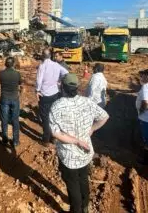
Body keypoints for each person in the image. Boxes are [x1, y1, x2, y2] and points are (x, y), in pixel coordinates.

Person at [50, 73, 109, 213]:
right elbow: (105, 116)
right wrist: (92, 129)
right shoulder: (87, 102)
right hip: (86, 151)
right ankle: (85, 207)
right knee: (83, 178)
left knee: (72, 183)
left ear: (62, 87)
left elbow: (55, 133)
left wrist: (76, 141)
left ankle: (76, 210)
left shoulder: (57, 106)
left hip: (68, 155)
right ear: (77, 87)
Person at [36, 48, 68, 146]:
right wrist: (59, 81)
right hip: (55, 94)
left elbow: (39, 80)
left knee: (45, 117)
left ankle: (46, 140)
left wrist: (37, 90)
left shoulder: (42, 66)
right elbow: (66, 72)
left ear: (42, 56)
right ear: (50, 56)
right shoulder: (56, 65)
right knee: (53, 116)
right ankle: (54, 137)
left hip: (45, 95)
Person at [0, 57, 23, 147]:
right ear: (13, 64)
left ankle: (4, 139)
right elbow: (20, 84)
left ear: (5, 64)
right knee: (15, 120)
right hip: (15, 98)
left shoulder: (0, 73)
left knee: (4, 119)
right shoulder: (17, 74)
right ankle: (15, 141)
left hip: (4, 98)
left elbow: (0, 82)